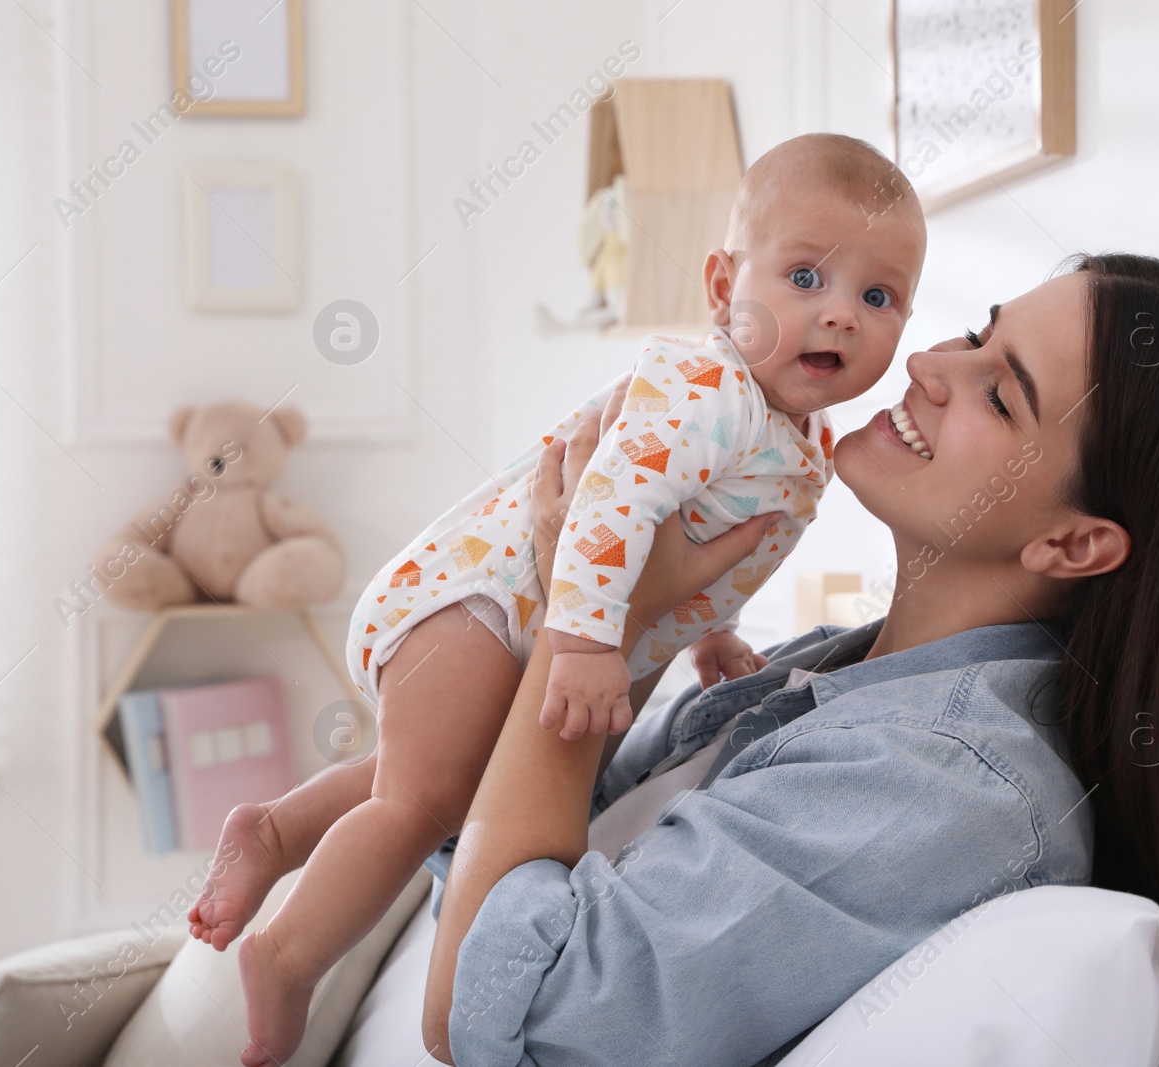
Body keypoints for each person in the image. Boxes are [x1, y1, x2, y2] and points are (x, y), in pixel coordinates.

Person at [421, 253, 1159, 1066]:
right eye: (977, 334)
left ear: (1073, 545)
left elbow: (505, 1008)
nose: (927, 363)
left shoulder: (941, 785)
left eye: (999, 392)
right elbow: (514, 831)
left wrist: (591, 623)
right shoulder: (846, 669)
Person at [186, 133, 929, 1066]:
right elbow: (614, 501)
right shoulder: (711, 393)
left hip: (524, 612)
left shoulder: (797, 435)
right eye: (807, 277)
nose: (841, 319)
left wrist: (714, 635)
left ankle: (275, 827)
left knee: (433, 783)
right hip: (487, 600)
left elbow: (705, 543)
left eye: (878, 296)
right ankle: (288, 959)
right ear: (722, 285)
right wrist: (582, 643)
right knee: (425, 800)